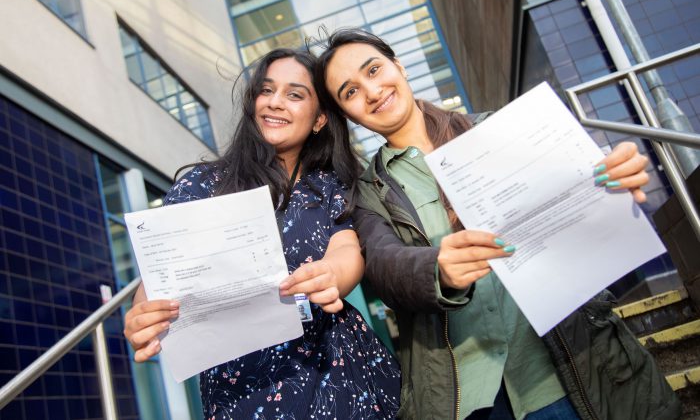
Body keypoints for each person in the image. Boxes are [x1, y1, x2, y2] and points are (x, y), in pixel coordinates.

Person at [313, 28, 681, 420]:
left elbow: (571, 194)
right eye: (350, 92)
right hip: (468, 399)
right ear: (345, 113)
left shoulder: (499, 130)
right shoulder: (369, 191)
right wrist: (437, 269)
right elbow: (386, 266)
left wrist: (608, 179)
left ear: (398, 66)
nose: (371, 91)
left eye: (374, 69)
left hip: (565, 370)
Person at [123, 48, 400, 419]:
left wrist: (332, 275)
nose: (275, 102)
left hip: (343, 378)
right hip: (242, 395)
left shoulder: (329, 186)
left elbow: (346, 249)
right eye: (266, 90)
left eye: (295, 94)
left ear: (319, 120)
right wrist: (143, 313)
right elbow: (159, 279)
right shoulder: (203, 186)